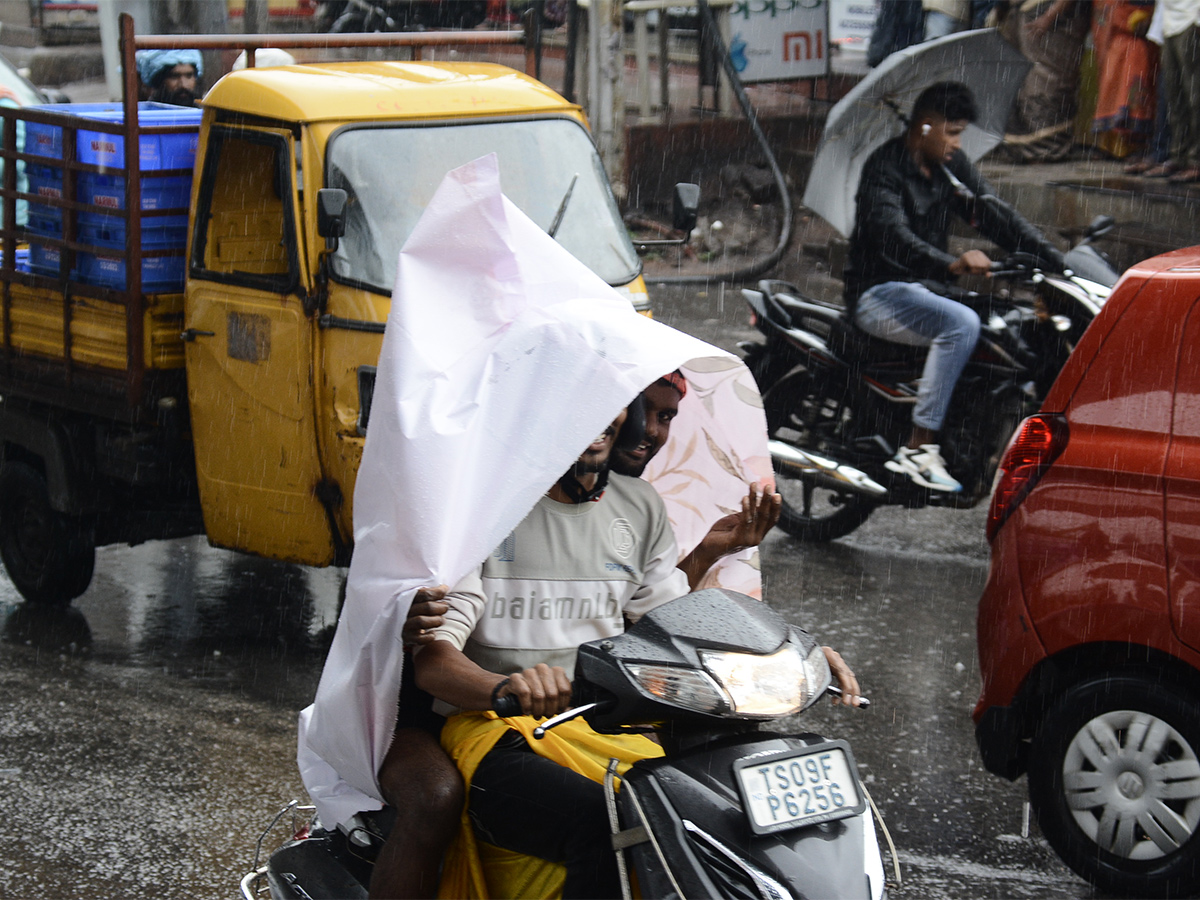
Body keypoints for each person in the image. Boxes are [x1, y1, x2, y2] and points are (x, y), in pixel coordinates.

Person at [407, 407, 863, 899]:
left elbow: (681, 629)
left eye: (614, 400)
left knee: (712, 811)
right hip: (498, 731)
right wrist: (505, 689)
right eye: (585, 396)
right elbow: (433, 662)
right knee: (611, 820)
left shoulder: (639, 505)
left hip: (607, 727)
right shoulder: (485, 509)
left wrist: (797, 654)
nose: (599, 412)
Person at [843, 81, 1065, 494]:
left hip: (927, 291)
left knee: (1006, 325)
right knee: (961, 324)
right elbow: (892, 235)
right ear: (925, 127)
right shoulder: (884, 169)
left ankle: (968, 434)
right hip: (879, 292)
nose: (957, 143)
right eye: (952, 131)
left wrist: (1058, 264)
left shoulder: (951, 168)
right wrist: (951, 261)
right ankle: (919, 447)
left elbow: (997, 214)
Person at [609, 371, 782, 587]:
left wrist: (708, 551)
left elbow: (648, 612)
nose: (651, 429)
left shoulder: (645, 506)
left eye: (665, 417)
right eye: (639, 409)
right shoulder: (557, 492)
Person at [999, 0, 1091, 164]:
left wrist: (1049, 16)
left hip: (1054, 18)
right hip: (1026, 12)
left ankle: (1046, 149)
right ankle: (1022, 149)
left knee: (1046, 82)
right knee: (1022, 81)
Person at [1090, 1, 1159, 160]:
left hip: (1134, 32)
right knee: (1110, 86)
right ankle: (1108, 144)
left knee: (1133, 86)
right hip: (1112, 34)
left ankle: (1135, 144)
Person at [1144, 0, 1200, 182]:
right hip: (1169, 22)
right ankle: (1178, 156)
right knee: (1174, 96)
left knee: (1194, 97)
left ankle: (1195, 161)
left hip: (1191, 18)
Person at [134, 49, 203, 107]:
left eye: (189, 76)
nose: (183, 85)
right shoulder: (147, 114)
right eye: (174, 76)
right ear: (159, 80)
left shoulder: (205, 114)